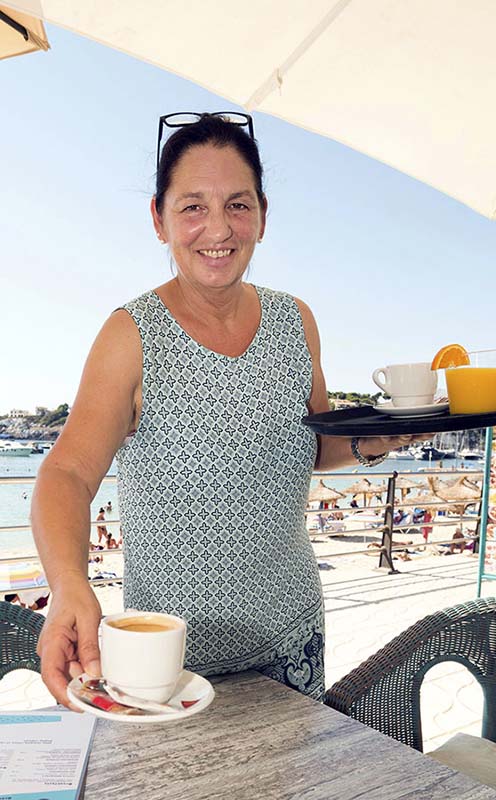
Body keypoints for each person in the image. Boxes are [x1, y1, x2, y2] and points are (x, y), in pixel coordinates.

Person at [32, 112, 429, 708]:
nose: (217, 228)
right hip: (167, 663)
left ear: (263, 217)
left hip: (292, 641)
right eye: (192, 206)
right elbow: (67, 472)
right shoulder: (131, 334)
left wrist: (385, 436)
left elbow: (317, 446)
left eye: (238, 205)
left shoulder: (297, 320)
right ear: (158, 218)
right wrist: (69, 585)